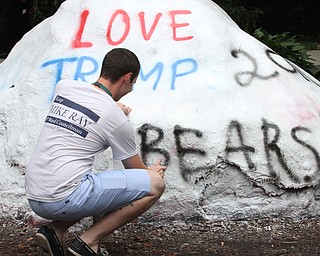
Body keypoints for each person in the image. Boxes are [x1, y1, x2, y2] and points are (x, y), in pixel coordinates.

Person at [25, 48, 166, 256]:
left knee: (86, 182)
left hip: (35, 195)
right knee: (154, 185)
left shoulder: (64, 87)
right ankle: (88, 241)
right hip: (62, 198)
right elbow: (136, 171)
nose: (131, 89)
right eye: (133, 83)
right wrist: (153, 171)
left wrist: (112, 107)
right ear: (127, 78)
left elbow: (92, 103)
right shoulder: (116, 119)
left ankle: (54, 230)